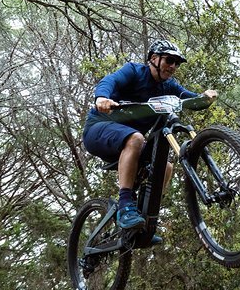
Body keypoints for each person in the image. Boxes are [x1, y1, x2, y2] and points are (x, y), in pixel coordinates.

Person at [82, 40, 218, 234]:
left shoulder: (168, 86)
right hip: (98, 129)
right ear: (154, 59)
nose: (172, 67)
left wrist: (205, 97)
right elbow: (110, 81)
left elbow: (191, 99)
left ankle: (143, 221)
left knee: (165, 167)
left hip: (128, 142)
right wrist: (102, 98)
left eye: (176, 63)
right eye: (169, 60)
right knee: (136, 138)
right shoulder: (134, 71)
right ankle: (126, 205)